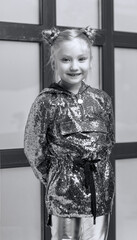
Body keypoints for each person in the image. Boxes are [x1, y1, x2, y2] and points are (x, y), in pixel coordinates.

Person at [24, 26, 115, 240]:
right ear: (54, 63)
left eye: (81, 59)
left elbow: (108, 141)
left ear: (91, 61)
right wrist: (59, 177)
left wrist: (100, 173)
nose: (74, 66)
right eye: (66, 60)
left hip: (100, 192)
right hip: (64, 194)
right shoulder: (46, 101)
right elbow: (33, 149)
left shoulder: (101, 99)